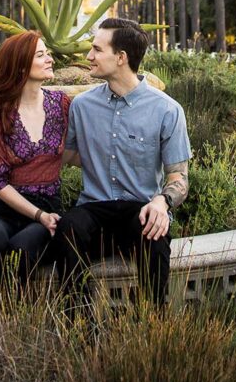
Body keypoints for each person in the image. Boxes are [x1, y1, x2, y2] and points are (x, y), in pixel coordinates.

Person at [55, 17, 191, 307]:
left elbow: (179, 178)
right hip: (93, 210)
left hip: (139, 211)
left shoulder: (167, 110)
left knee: (155, 232)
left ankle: (152, 322)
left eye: (96, 50)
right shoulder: (82, 106)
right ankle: (78, 324)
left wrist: (162, 202)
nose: (89, 57)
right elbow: (60, 158)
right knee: (68, 227)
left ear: (121, 58)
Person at [0, 30, 70, 312]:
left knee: (24, 249)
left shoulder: (61, 105)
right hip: (3, 209)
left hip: (46, 209)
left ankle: (18, 319)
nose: (50, 59)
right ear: (22, 65)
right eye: (41, 55)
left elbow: (76, 153)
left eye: (47, 52)